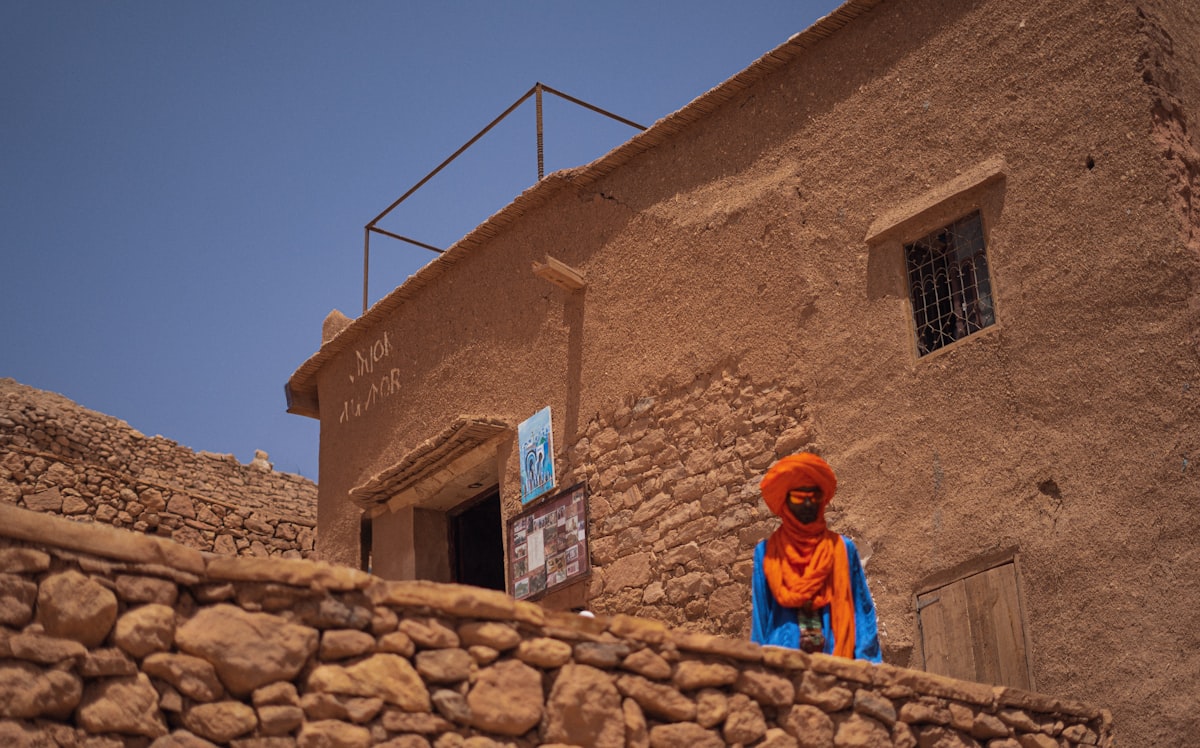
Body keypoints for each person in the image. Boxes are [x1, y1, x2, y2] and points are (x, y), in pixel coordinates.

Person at [750, 452, 881, 662]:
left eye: (814, 497)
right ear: (785, 502)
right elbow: (760, 616)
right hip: (782, 661)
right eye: (799, 498)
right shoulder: (767, 553)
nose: (808, 504)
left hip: (837, 660)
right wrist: (757, 666)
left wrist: (867, 666)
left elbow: (860, 610)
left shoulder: (842, 549)